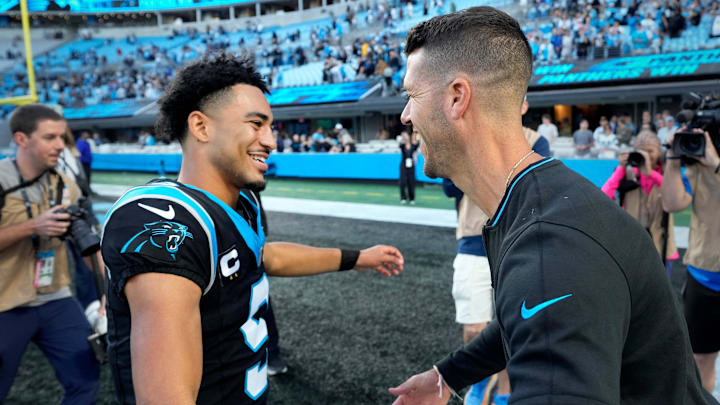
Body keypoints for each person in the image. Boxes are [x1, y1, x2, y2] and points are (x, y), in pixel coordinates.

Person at [388, 7, 716, 405]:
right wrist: (448, 374)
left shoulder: (551, 248)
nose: (405, 115)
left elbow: (542, 290)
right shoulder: (544, 202)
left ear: (457, 97)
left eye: (411, 96)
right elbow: (529, 314)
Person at [100, 53, 404, 405]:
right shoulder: (164, 220)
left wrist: (358, 258)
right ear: (201, 127)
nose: (271, 141)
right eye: (255, 124)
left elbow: (262, 256)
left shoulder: (240, 202)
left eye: (270, 126)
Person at [0, 104, 100, 404]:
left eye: (62, 136)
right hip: (5, 301)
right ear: (21, 139)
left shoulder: (65, 184)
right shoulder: (3, 179)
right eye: (50, 137)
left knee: (86, 375)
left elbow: (87, 244)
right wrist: (31, 227)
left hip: (56, 296)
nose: (60, 145)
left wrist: (106, 292)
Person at [661, 128, 720, 394]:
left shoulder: (711, 164)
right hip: (704, 274)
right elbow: (672, 204)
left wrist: (716, 164)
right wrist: (673, 160)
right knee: (700, 359)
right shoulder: (697, 166)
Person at [601, 132, 678, 275]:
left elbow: (675, 198)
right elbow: (603, 196)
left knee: (662, 291)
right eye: (641, 151)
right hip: (632, 244)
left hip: (662, 244)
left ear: (659, 152)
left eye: (650, 151)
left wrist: (651, 174)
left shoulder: (668, 172)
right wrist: (620, 169)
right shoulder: (627, 173)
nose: (646, 156)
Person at [398, 130, 419, 204]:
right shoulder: (402, 145)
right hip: (403, 165)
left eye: (406, 135)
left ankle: (412, 198)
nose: (405, 137)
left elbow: (417, 141)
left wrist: (415, 133)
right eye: (404, 136)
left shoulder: (413, 145)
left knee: (411, 182)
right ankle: (403, 197)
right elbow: (399, 143)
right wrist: (402, 138)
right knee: (402, 182)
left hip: (411, 165)